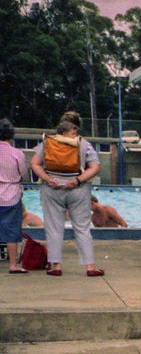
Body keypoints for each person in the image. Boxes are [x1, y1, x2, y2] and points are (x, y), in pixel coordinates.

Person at [29, 111, 104, 277]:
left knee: (54, 227)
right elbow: (95, 167)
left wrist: (48, 179)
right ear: (75, 128)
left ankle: (56, 265)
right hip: (77, 189)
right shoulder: (82, 143)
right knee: (82, 227)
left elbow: (34, 163)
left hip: (53, 188)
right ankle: (90, 266)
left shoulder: (47, 142)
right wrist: (77, 180)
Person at [0, 118, 29, 273]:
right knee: (12, 230)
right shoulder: (17, 153)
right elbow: (24, 175)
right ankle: (13, 264)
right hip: (11, 194)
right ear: (11, 136)